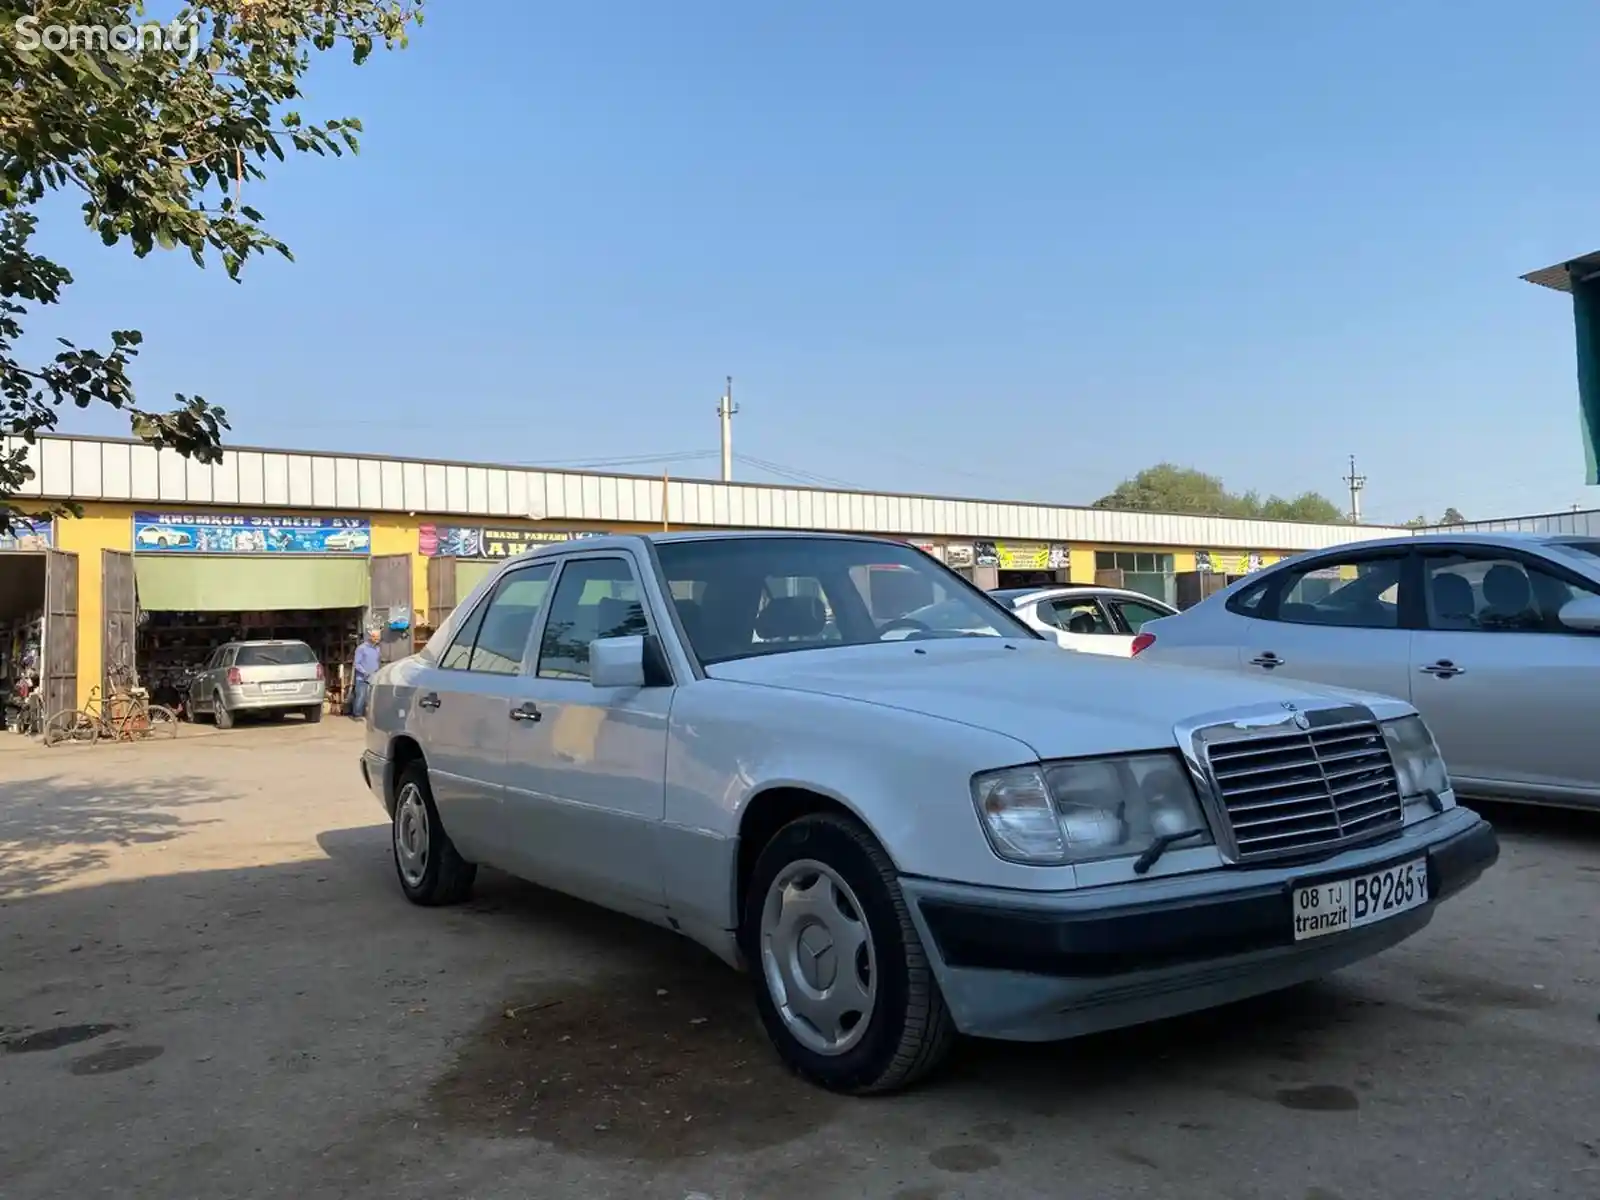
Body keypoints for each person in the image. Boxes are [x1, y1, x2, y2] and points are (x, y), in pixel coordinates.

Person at [350, 628, 382, 719]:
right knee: (361, 696)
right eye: (376, 638)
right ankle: (357, 715)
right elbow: (356, 664)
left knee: (370, 697)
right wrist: (365, 672)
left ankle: (368, 715)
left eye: (379, 638)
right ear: (371, 637)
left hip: (373, 676)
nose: (377, 640)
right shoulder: (361, 648)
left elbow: (377, 661)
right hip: (362, 677)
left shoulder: (377, 648)